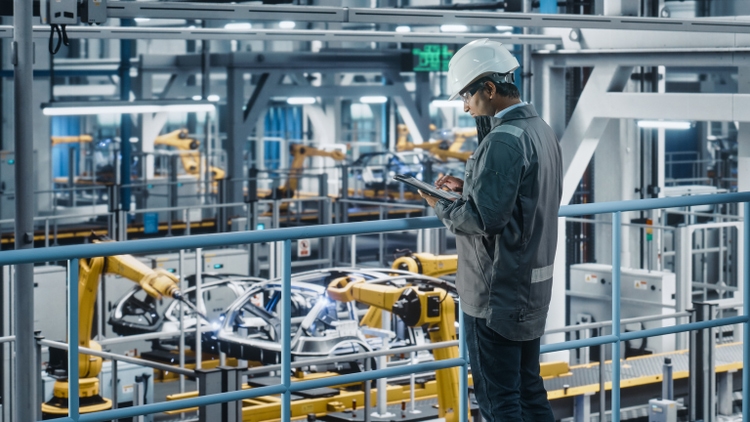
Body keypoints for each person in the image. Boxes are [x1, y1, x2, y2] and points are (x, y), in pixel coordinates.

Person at [419, 38, 563, 421]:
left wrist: (442, 204)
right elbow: (521, 197)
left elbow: (485, 221)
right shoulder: (539, 130)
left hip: (494, 294)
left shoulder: (502, 140)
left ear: (489, 88)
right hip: (529, 285)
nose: (466, 107)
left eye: (467, 96)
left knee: (499, 401)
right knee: (529, 391)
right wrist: (469, 190)